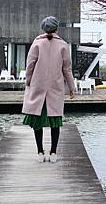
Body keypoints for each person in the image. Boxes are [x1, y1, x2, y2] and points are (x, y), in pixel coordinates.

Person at [22, 16, 76, 163]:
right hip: (55, 87)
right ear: (57, 28)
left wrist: (28, 81)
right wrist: (71, 87)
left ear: (43, 28)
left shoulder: (37, 43)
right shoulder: (63, 45)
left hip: (38, 85)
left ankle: (40, 152)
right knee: (55, 121)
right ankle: (53, 153)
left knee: (37, 121)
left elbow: (30, 65)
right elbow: (67, 69)